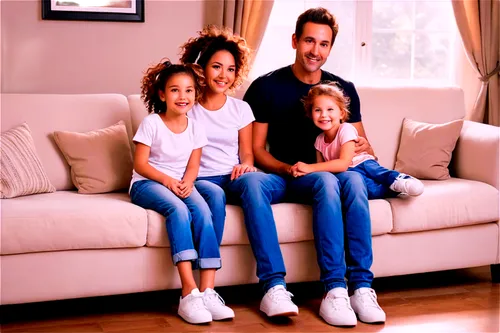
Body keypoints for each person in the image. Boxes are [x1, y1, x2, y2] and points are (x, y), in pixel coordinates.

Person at [243, 7, 386, 327]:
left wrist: (363, 148)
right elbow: (256, 149)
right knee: (255, 184)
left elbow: (362, 145)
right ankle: (283, 287)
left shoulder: (343, 88)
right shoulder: (266, 87)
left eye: (323, 44)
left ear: (330, 48)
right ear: (295, 40)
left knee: (348, 181)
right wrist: (286, 168)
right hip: (283, 173)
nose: (315, 50)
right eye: (309, 41)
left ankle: (355, 288)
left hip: (325, 175)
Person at [179, 25, 300, 318]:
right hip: (204, 180)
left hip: (234, 176)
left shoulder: (241, 109)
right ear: (201, 69)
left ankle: (275, 287)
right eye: (216, 67)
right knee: (213, 197)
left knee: (255, 182)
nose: (224, 75)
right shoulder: (186, 106)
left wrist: (246, 165)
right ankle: (205, 290)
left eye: (231, 69)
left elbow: (247, 152)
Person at [129, 59, 234, 324]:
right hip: (147, 183)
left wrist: (187, 181)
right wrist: (168, 182)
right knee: (177, 209)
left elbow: (193, 165)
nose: (182, 96)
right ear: (162, 94)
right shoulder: (151, 123)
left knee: (202, 210)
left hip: (179, 182)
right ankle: (189, 293)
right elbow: (140, 165)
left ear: (195, 95)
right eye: (175, 90)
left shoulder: (196, 127)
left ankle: (208, 291)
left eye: (188, 90)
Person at [296, 82, 424, 198]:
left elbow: (343, 163)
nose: (324, 115)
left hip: (362, 163)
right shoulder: (319, 141)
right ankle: (393, 191)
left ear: (341, 113)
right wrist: (305, 170)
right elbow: (322, 168)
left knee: (379, 173)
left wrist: (309, 167)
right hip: (350, 173)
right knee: (370, 190)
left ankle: (401, 179)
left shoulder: (346, 129)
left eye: (330, 109)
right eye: (318, 110)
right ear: (310, 114)